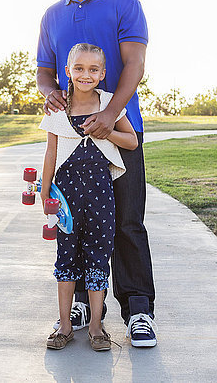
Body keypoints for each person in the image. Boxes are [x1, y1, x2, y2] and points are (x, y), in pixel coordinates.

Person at [36, 0, 157, 347]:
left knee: (124, 222)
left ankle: (139, 310)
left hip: (120, 125)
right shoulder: (52, 15)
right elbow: (44, 70)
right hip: (73, 138)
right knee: (77, 227)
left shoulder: (125, 4)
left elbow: (134, 63)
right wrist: (49, 90)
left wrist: (109, 115)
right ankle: (84, 308)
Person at [40, 43, 138, 351]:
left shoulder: (110, 106)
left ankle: (96, 326)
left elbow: (132, 142)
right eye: (79, 69)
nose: (86, 74)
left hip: (100, 196)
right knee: (66, 258)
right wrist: (44, 192)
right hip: (66, 198)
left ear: (103, 74)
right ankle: (65, 325)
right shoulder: (58, 109)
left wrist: (108, 132)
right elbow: (51, 152)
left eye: (93, 69)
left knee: (97, 259)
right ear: (67, 72)